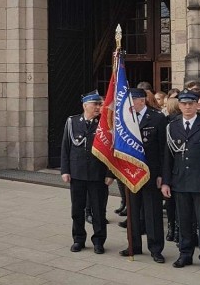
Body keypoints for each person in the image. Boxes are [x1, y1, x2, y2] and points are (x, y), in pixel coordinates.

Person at [161, 89, 200, 274]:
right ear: (179, 105)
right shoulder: (172, 126)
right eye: (184, 103)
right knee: (184, 221)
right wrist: (166, 182)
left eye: (191, 103)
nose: (187, 107)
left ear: (197, 105)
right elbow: (167, 158)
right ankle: (185, 254)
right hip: (180, 181)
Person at [60, 90, 114, 255]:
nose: (98, 107)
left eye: (100, 104)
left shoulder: (105, 124)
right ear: (85, 105)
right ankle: (78, 239)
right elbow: (66, 147)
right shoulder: (72, 122)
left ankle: (98, 241)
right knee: (77, 209)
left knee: (98, 211)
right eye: (95, 104)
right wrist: (65, 170)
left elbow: (111, 151)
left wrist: (110, 173)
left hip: (98, 175)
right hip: (77, 173)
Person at [119, 88, 167, 263]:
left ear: (141, 101)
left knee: (152, 212)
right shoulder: (125, 118)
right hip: (131, 173)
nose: (129, 105)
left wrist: (162, 174)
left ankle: (155, 249)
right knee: (132, 212)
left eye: (132, 101)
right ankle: (134, 245)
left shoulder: (157, 118)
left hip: (151, 173)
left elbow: (163, 149)